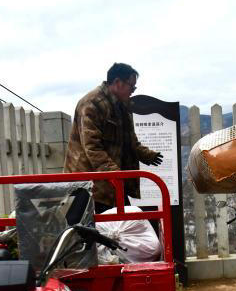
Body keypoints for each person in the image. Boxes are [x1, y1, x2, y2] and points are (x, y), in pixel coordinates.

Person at [64, 63, 163, 213]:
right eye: (132, 87)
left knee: (124, 226)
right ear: (118, 83)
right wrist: (115, 174)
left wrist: (147, 155)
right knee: (97, 232)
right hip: (89, 186)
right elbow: (92, 147)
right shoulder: (92, 104)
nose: (133, 91)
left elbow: (130, 141)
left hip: (113, 183)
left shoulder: (122, 106)